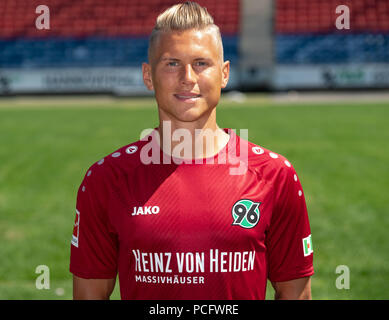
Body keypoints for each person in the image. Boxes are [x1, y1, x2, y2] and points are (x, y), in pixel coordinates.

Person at [70, 1, 314, 300]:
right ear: (148, 76)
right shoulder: (107, 179)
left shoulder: (274, 175)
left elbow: (296, 294)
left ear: (224, 74)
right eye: (172, 63)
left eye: (201, 63)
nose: (188, 77)